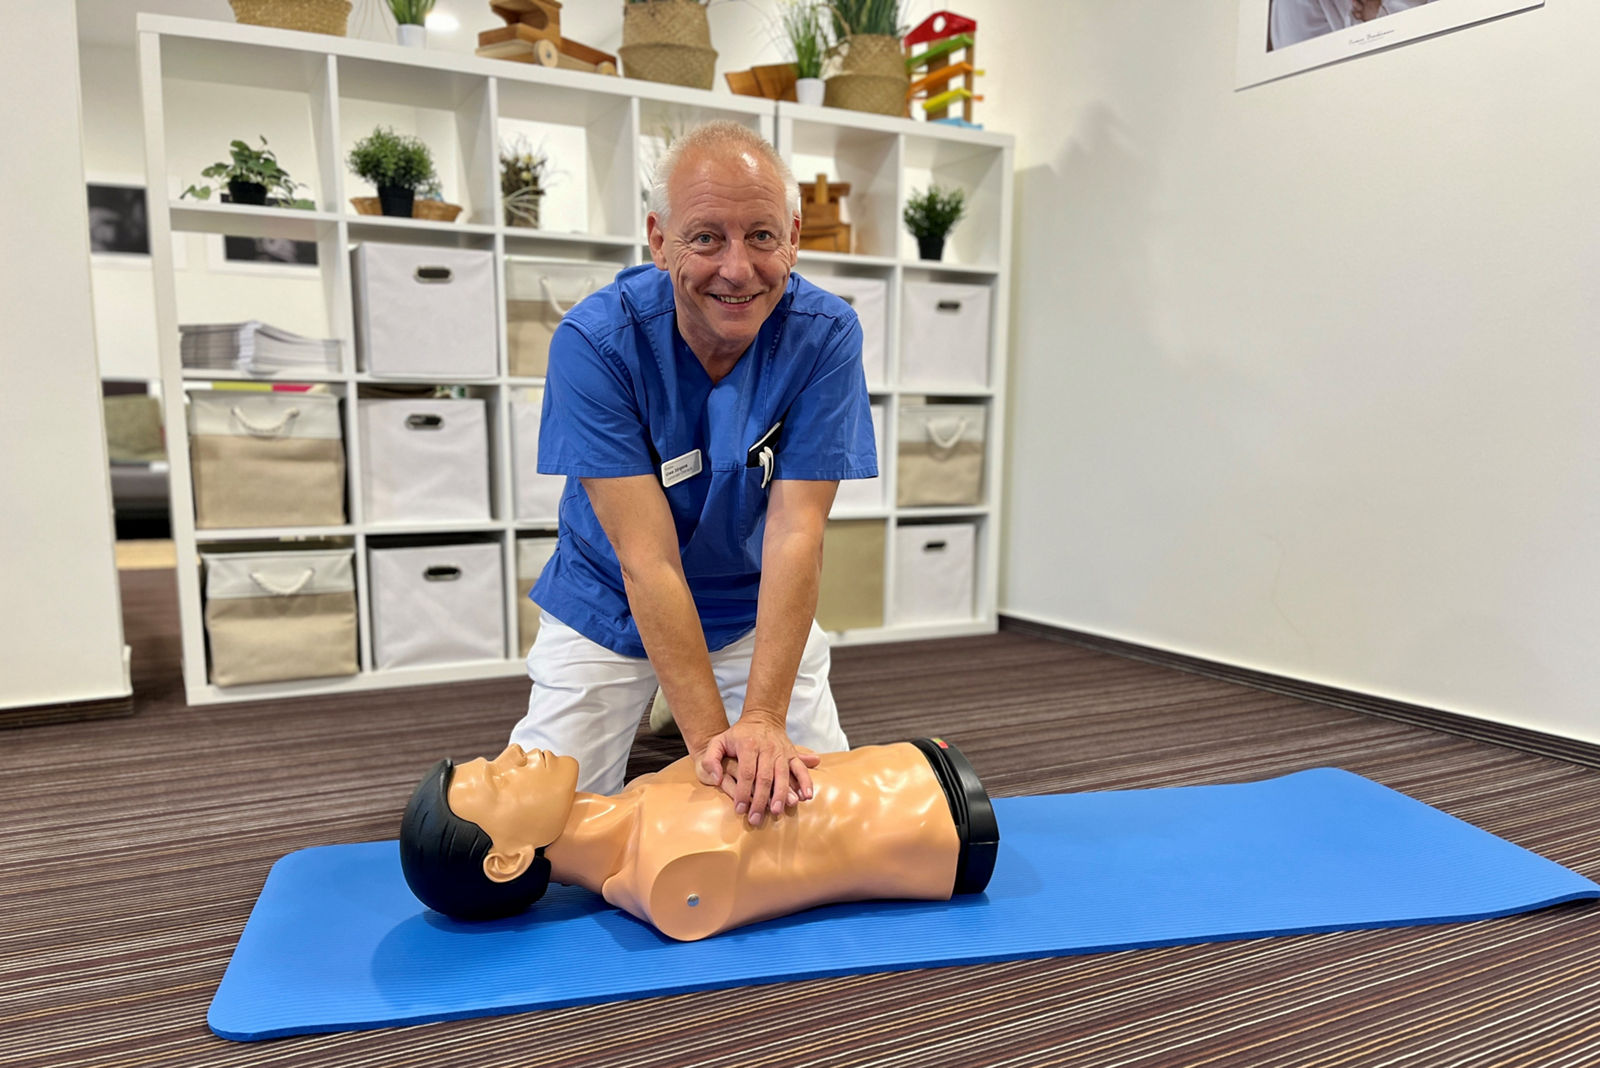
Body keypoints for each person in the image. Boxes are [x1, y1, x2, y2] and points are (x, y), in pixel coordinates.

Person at [507, 120, 877, 826]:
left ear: (793, 237)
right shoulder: (595, 343)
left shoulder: (826, 337)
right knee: (540, 828)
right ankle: (672, 708)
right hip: (610, 601)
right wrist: (713, 747)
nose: (737, 269)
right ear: (658, 239)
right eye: (706, 237)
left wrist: (764, 719)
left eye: (762, 236)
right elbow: (648, 563)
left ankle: (689, 702)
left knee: (826, 813)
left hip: (747, 606)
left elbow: (797, 532)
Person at [399, 739, 999, 941]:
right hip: (945, 828)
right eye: (499, 779)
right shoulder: (665, 881)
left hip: (922, 763)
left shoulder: (640, 793)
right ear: (508, 861)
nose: (514, 753)